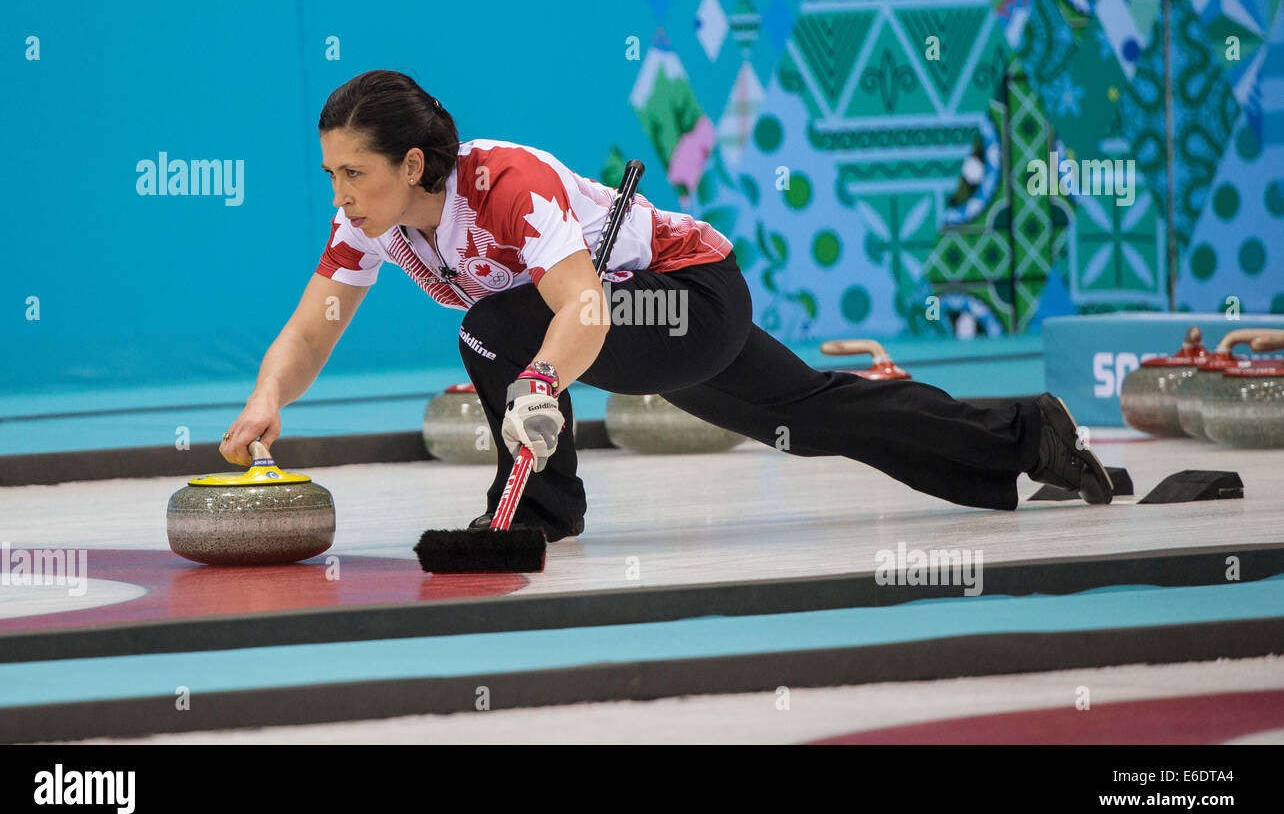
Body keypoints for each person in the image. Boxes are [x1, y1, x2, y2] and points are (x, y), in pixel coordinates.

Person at [220, 69, 1113, 543]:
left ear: (412, 164)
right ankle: (1028, 435)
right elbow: (314, 324)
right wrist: (269, 399)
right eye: (331, 174)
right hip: (634, 319)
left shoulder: (506, 187)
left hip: (687, 299)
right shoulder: (370, 225)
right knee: (807, 417)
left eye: (352, 172)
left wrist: (536, 383)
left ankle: (537, 510)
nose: (339, 194)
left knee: (491, 329)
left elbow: (582, 310)